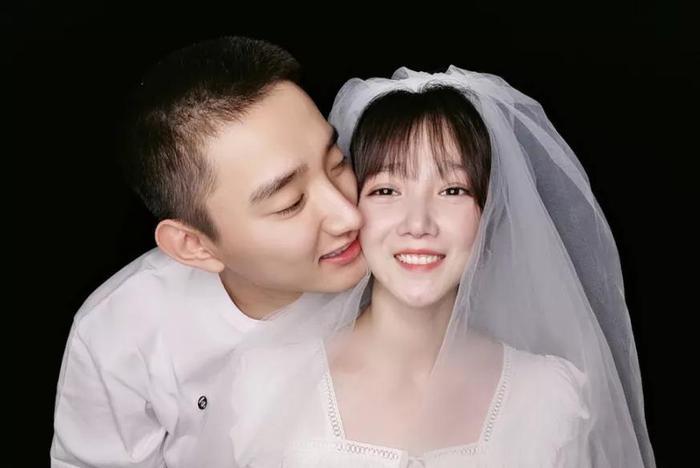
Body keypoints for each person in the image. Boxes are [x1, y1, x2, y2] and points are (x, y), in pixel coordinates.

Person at [223, 67, 656, 467]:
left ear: (489, 212)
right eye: (387, 190)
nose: (418, 224)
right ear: (352, 206)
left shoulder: (552, 398)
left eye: (452, 190)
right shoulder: (269, 383)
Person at [50, 36, 367, 467]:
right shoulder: (120, 332)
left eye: (338, 162)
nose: (349, 216)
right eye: (290, 203)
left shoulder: (408, 259)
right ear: (194, 245)